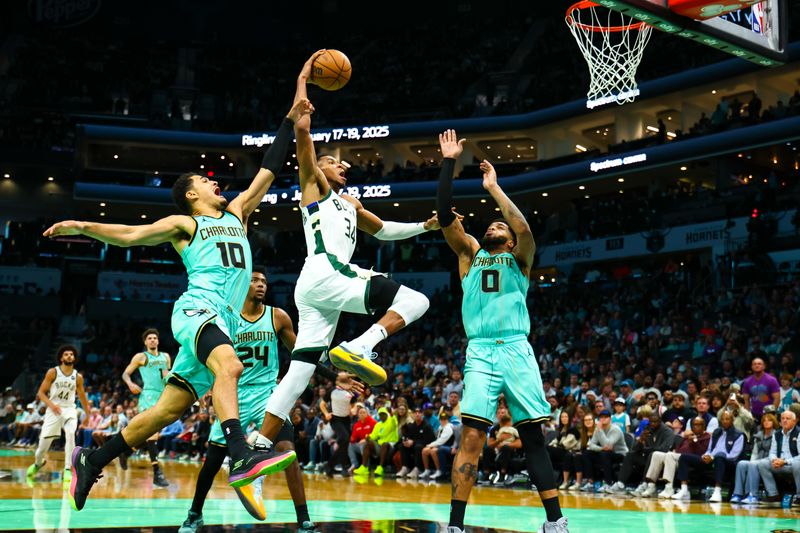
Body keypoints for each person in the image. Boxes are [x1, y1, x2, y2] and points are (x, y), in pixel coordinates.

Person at [45, 58, 316, 511]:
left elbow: (269, 168)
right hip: (196, 308)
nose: (214, 182)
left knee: (167, 411)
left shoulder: (238, 213)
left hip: (221, 319)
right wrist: (81, 225)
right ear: (192, 194)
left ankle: (93, 458)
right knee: (230, 368)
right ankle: (241, 455)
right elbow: (130, 234)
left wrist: (291, 117)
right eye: (205, 181)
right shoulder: (184, 223)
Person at [255, 50, 438, 463]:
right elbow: (302, 132)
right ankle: (361, 345)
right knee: (416, 300)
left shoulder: (352, 204)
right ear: (321, 169)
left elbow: (386, 230)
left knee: (301, 369)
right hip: (328, 270)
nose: (344, 168)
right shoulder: (315, 187)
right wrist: (304, 79)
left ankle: (257, 446)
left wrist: (425, 227)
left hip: (314, 288)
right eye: (336, 162)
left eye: (343, 164)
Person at [435, 130, 566, 533]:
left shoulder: (520, 259)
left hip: (515, 348)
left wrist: (494, 189)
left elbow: (524, 228)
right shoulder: (469, 255)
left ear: (507, 241)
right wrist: (449, 164)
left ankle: (555, 522)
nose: (494, 226)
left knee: (532, 436)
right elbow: (443, 218)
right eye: (490, 224)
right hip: (479, 351)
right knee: (471, 437)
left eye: (499, 226)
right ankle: (456, 525)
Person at [179, 266, 358, 533]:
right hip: (234, 395)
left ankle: (304, 520)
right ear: (243, 285)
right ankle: (194, 513)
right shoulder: (226, 318)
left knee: (289, 452)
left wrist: (333, 376)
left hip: (268, 394)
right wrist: (206, 389)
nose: (261, 284)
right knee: (213, 459)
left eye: (264, 280)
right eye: (254, 280)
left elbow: (302, 354)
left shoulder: (277, 317)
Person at [27, 345, 91, 482]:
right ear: (61, 358)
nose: (69, 356)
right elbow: (41, 393)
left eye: (72, 355)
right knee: (42, 446)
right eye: (66, 354)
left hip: (69, 409)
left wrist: (88, 415)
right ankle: (38, 463)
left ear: (74, 358)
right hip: (53, 410)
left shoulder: (78, 377)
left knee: (70, 434)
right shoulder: (53, 372)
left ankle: (68, 469)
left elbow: (82, 396)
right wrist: (51, 405)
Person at [121, 328, 171, 487]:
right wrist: (130, 384)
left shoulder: (166, 357)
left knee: (149, 435)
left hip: (162, 396)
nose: (152, 340)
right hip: (148, 396)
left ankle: (127, 452)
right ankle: (157, 473)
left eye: (155, 338)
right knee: (152, 434)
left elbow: (165, 376)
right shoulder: (141, 357)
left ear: (158, 341)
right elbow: (125, 374)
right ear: (145, 342)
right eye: (149, 338)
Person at [672, 411, 745, 501]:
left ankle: (717, 492)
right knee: (684, 457)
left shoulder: (739, 435)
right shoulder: (716, 432)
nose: (724, 421)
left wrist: (713, 457)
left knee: (720, 456)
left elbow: (734, 455)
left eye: (727, 419)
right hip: (711, 459)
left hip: (728, 462)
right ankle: (684, 490)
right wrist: (706, 456)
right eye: (722, 419)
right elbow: (710, 449)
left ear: (732, 420)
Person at [730, 412, 777, 504]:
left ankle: (752, 495)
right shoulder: (758, 435)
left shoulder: (776, 435)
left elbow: (774, 452)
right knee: (742, 464)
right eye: (764, 420)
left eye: (769, 420)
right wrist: (752, 461)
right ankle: (738, 494)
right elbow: (755, 452)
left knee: (753, 464)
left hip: (769, 460)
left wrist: (753, 463)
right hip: (757, 460)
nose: (766, 422)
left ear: (774, 422)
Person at [756, 410, 800, 506]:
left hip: (792, 465)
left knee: (798, 464)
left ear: (794, 421)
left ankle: (799, 497)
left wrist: (784, 462)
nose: (784, 421)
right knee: (763, 463)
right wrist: (774, 460)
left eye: (787, 419)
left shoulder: (799, 433)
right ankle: (773, 496)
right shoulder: (777, 434)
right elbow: (772, 452)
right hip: (779, 465)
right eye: (783, 418)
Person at [585, 410, 628, 492]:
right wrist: (601, 448)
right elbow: (591, 445)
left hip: (620, 455)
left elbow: (608, 445)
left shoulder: (615, 429)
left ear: (610, 419)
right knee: (587, 453)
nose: (603, 419)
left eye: (606, 417)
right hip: (606, 453)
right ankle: (590, 482)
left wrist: (600, 431)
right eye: (601, 417)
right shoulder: (598, 429)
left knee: (605, 454)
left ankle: (608, 483)